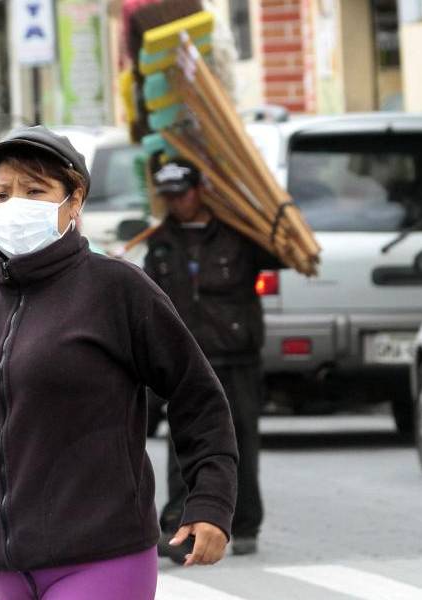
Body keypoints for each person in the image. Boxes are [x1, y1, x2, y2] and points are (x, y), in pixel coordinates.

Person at [0, 127, 239, 600]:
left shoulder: (117, 290)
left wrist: (209, 501)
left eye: (35, 190)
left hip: (102, 555)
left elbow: (197, 396)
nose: (15, 204)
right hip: (4, 562)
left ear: (74, 200)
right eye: (1, 194)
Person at [144, 159, 283, 560]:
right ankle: (178, 526)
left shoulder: (238, 235)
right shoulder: (161, 241)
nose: (177, 202)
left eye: (182, 193)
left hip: (235, 357)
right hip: (185, 360)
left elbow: (286, 255)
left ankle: (243, 524)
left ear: (200, 190)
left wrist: (259, 211)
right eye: (168, 195)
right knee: (181, 443)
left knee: (239, 441)